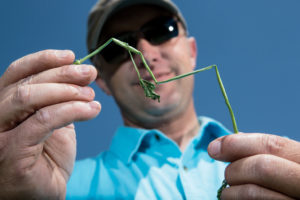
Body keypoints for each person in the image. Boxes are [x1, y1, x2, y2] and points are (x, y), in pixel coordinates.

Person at [0, 0, 299, 199]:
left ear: (192, 51)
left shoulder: (279, 163)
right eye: (121, 47)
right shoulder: (62, 186)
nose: (145, 53)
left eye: (160, 31)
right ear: (99, 79)